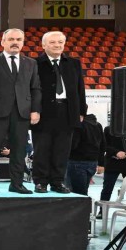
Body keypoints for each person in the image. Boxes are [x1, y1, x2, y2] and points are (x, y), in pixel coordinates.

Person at [0, 28, 42, 194]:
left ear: (23, 42)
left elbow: (35, 88)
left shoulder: (31, 63)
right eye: (11, 39)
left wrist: (35, 110)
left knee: (19, 150)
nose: (15, 42)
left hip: (22, 113)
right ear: (3, 42)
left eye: (19, 39)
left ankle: (16, 183)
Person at [31, 31, 87, 194]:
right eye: (53, 42)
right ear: (44, 45)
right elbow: (30, 89)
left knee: (62, 150)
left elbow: (80, 88)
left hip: (68, 112)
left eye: (60, 42)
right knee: (42, 149)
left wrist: (81, 111)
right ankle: (40, 182)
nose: (57, 45)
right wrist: (33, 110)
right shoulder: (34, 63)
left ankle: (58, 181)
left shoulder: (74, 63)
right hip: (43, 112)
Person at [65, 114, 105, 196]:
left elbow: (73, 145)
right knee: (83, 191)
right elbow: (103, 145)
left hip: (76, 161)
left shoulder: (79, 125)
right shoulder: (97, 125)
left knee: (75, 193)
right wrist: (101, 163)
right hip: (93, 163)